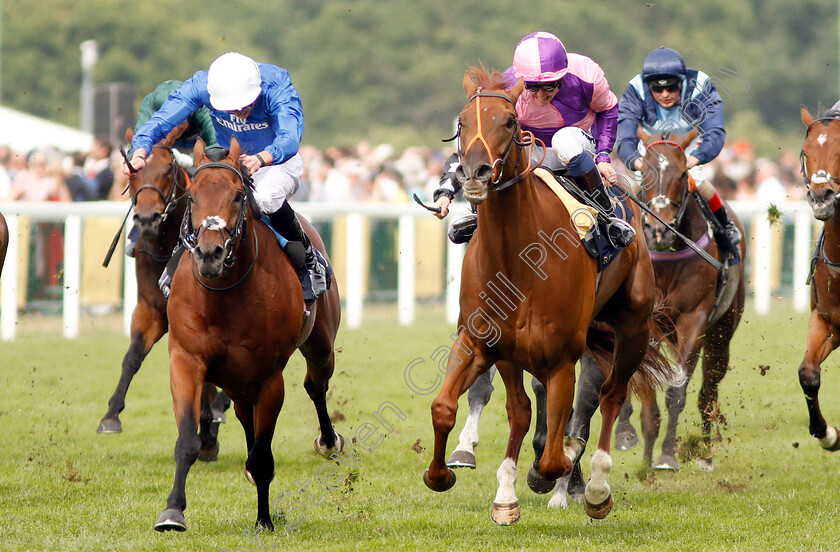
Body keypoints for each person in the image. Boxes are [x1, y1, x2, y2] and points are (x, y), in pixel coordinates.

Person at [124, 52, 327, 304]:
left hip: (277, 160)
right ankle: (181, 254)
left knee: (265, 199)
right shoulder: (202, 85)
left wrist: (262, 158)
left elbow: (290, 138)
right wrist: (141, 150)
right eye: (231, 107)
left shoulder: (277, 85)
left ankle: (309, 259)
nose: (239, 112)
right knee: (201, 198)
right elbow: (162, 120)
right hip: (228, 161)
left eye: (245, 105)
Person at [432, 31, 635, 248]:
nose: (541, 95)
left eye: (550, 85)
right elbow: (480, 147)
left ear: (563, 76)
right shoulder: (508, 88)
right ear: (522, 81)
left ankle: (606, 216)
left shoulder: (586, 74)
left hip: (577, 145)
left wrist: (603, 156)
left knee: (563, 141)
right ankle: (481, 215)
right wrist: (445, 192)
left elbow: (608, 109)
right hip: (532, 150)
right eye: (532, 86)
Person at [615, 46, 741, 263]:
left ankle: (725, 229)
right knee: (635, 187)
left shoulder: (700, 85)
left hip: (688, 145)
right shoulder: (636, 88)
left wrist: (695, 159)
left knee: (698, 181)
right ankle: (617, 236)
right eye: (657, 89)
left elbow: (715, 131)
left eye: (672, 88)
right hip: (653, 147)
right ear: (648, 86)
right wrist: (638, 164)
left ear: (682, 82)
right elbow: (625, 138)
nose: (665, 95)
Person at [125, 80, 219, 257]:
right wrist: (134, 159)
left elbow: (217, 146)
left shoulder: (203, 107)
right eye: (167, 121)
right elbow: (137, 144)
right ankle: (140, 227)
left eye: (178, 121)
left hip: (200, 150)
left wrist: (192, 160)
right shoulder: (149, 104)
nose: (171, 129)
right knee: (150, 171)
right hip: (162, 152)